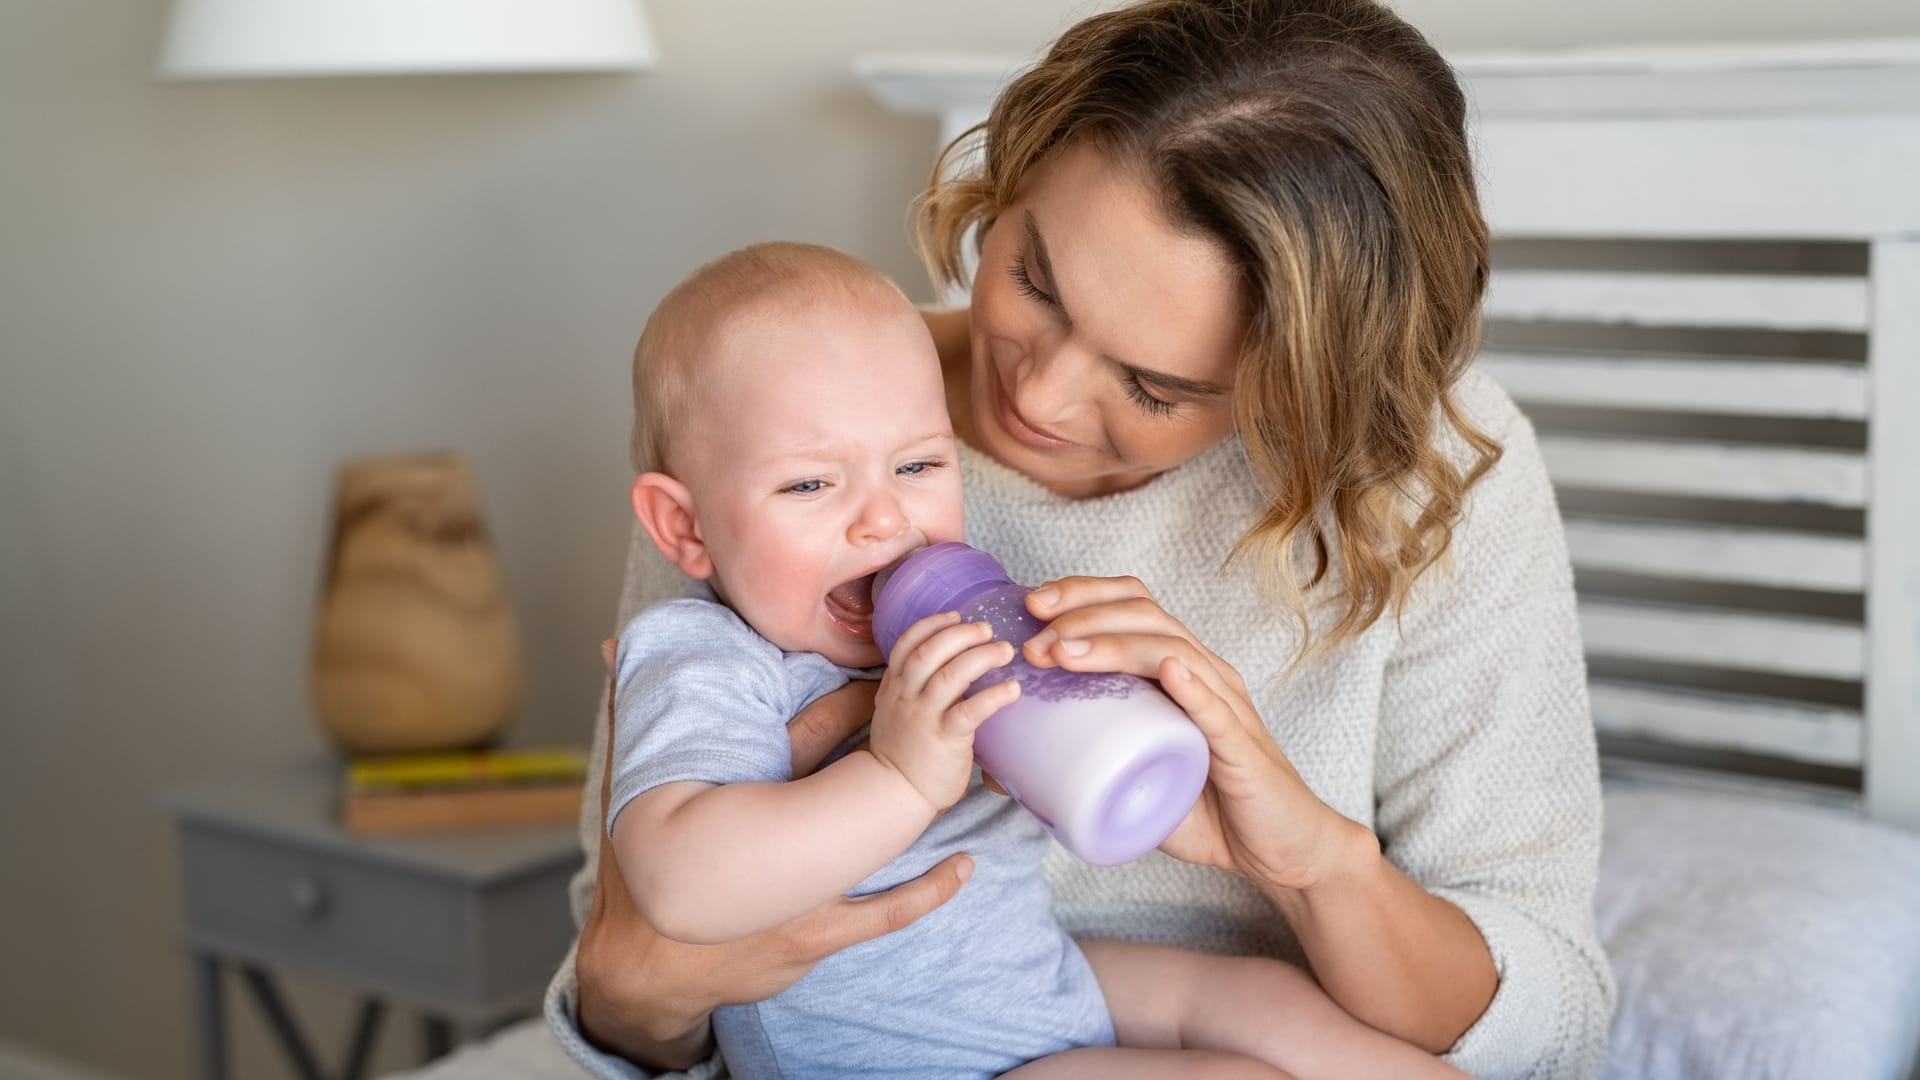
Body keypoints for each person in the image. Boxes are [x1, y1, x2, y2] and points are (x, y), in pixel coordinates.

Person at [547, 1, 1616, 1077]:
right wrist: (638, 987)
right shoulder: (779, 425)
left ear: (1305, 390)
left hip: (1122, 995)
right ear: (1008, 181)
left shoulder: (1419, 478)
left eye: (1154, 385)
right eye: (1035, 280)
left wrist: (1312, 865)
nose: (1041, 396)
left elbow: (1554, 1024)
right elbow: (640, 962)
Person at [606, 239, 1471, 1079]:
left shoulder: (942, 630)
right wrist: (900, 779)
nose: (884, 520)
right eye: (809, 485)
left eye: (916, 464)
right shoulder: (706, 659)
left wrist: (1090, 701)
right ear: (684, 528)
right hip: (904, 1055)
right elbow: (678, 888)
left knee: (1266, 1005)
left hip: (1028, 981)